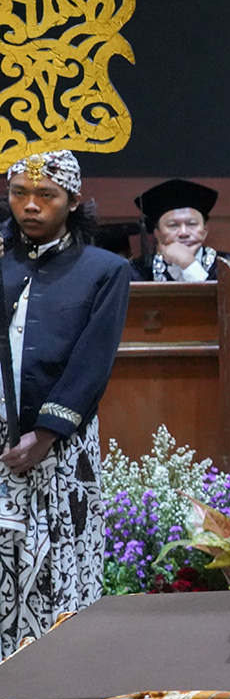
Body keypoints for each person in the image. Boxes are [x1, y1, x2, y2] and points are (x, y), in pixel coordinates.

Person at [0, 150, 131, 658]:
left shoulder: (105, 269)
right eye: (18, 194)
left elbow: (93, 359)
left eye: (45, 196)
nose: (30, 206)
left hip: (61, 443)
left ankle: (59, 670)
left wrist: (47, 432)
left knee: (57, 558)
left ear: (74, 201)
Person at [130, 179, 230, 281]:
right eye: (173, 226)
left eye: (192, 224)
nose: (184, 233)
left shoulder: (227, 264)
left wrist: (188, 263)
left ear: (204, 232)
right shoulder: (140, 270)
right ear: (158, 234)